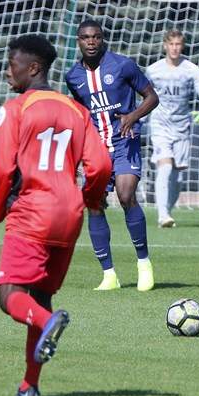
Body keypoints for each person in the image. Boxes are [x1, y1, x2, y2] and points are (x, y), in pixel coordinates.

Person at [0, 34, 112, 396]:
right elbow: (100, 165)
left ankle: (48, 324)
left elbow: (0, 169)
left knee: (10, 296)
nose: (7, 72)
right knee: (41, 296)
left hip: (33, 211)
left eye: (12, 64)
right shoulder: (78, 111)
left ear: (33, 68)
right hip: (70, 213)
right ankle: (29, 384)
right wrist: (92, 199)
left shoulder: (16, 107)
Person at [65, 19, 160, 291]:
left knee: (126, 194)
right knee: (94, 204)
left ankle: (144, 263)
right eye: (85, 37)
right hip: (95, 148)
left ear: (103, 39)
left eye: (96, 37)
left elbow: (152, 97)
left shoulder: (123, 65)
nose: (91, 42)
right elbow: (81, 112)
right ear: (79, 41)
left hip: (124, 141)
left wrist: (132, 116)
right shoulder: (73, 76)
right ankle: (109, 274)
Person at [145, 29, 199, 228]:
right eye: (171, 44)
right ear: (165, 45)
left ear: (181, 46)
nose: (175, 48)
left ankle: (167, 210)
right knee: (164, 166)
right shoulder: (153, 70)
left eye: (178, 44)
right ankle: (162, 215)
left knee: (177, 176)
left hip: (182, 126)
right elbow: (143, 95)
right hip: (160, 124)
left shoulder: (190, 69)